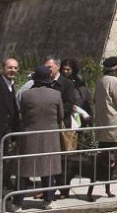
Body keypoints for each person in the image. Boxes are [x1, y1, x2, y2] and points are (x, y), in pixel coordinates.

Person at [13, 65, 64, 211]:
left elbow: (22, 112)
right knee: (48, 169)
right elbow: (60, 116)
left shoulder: (26, 95)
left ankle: (17, 203)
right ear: (49, 79)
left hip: (29, 135)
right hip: (50, 137)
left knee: (24, 170)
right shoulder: (56, 95)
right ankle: (48, 201)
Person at [93, 56, 117, 181]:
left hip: (103, 120)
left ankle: (104, 172)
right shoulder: (115, 81)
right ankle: (112, 172)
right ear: (116, 68)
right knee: (116, 150)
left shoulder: (101, 80)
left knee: (104, 149)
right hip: (115, 120)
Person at [0, 58, 20, 209]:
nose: (12, 70)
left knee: (0, 168)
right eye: (10, 68)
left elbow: (12, 109)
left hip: (5, 135)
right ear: (3, 68)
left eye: (15, 68)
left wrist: (15, 133)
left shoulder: (10, 86)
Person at [44, 56, 76, 197]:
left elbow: (70, 104)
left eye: (49, 67)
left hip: (61, 125)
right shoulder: (42, 82)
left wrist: (55, 113)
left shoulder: (67, 84)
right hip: (46, 126)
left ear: (57, 67)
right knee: (47, 159)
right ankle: (48, 189)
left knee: (63, 160)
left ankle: (63, 189)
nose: (47, 70)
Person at [61, 59, 92, 127]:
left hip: (79, 112)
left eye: (68, 69)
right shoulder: (60, 81)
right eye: (63, 69)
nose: (65, 71)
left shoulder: (78, 81)